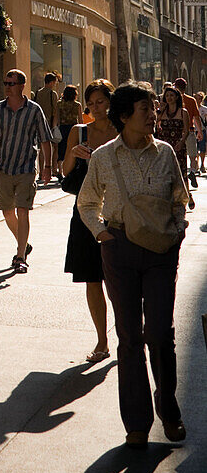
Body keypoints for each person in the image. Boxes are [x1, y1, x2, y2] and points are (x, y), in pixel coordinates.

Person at [77, 81, 189, 447]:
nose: (153, 114)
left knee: (159, 333)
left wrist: (177, 231)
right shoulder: (104, 157)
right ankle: (136, 424)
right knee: (129, 337)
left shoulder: (166, 153)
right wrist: (102, 234)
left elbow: (179, 198)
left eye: (154, 108)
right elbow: (87, 202)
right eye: (146, 109)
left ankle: (168, 410)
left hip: (160, 251)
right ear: (125, 116)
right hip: (120, 249)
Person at [61, 79, 116, 363]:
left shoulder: (122, 130)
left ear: (111, 101)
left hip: (118, 214)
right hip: (85, 213)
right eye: (91, 104)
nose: (96, 109)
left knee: (119, 279)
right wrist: (73, 154)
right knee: (92, 279)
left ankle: (129, 334)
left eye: (101, 102)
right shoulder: (79, 132)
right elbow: (65, 172)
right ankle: (102, 341)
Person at [0, 69, 54, 273]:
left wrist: (47, 167)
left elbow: (45, 139)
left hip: (25, 168)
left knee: (23, 210)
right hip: (3, 167)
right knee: (7, 212)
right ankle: (24, 243)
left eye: (11, 83)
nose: (7, 87)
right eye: (5, 83)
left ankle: (20, 255)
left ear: (22, 85)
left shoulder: (34, 110)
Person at [155, 85, 190, 193]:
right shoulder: (162, 113)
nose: (169, 98)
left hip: (178, 145)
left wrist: (182, 141)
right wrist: (160, 110)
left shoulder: (183, 112)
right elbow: (154, 124)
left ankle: (187, 193)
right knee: (166, 171)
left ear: (176, 97)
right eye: (167, 96)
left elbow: (186, 130)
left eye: (172, 95)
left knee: (181, 171)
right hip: (164, 145)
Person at [172, 77, 202, 189]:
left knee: (178, 156)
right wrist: (199, 131)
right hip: (190, 131)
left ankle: (180, 177)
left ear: (175, 87)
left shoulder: (173, 100)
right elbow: (196, 117)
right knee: (193, 155)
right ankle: (193, 172)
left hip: (177, 132)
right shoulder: (191, 100)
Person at [34, 73, 59, 180]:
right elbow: (55, 111)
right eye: (55, 82)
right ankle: (52, 170)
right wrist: (54, 125)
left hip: (38, 123)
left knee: (41, 148)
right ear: (52, 82)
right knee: (51, 147)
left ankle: (40, 173)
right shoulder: (52, 94)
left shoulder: (38, 93)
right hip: (49, 123)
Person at [55, 86, 83, 181]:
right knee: (72, 148)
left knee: (61, 149)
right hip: (73, 129)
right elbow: (80, 119)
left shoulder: (59, 104)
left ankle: (60, 170)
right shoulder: (77, 105)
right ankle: (70, 169)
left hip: (62, 128)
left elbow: (57, 117)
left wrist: (55, 127)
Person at [196, 90, 207, 174]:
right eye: (196, 98)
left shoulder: (204, 109)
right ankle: (196, 165)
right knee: (195, 149)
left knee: (202, 148)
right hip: (193, 130)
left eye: (199, 98)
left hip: (202, 130)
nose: (197, 100)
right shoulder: (192, 108)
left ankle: (202, 165)